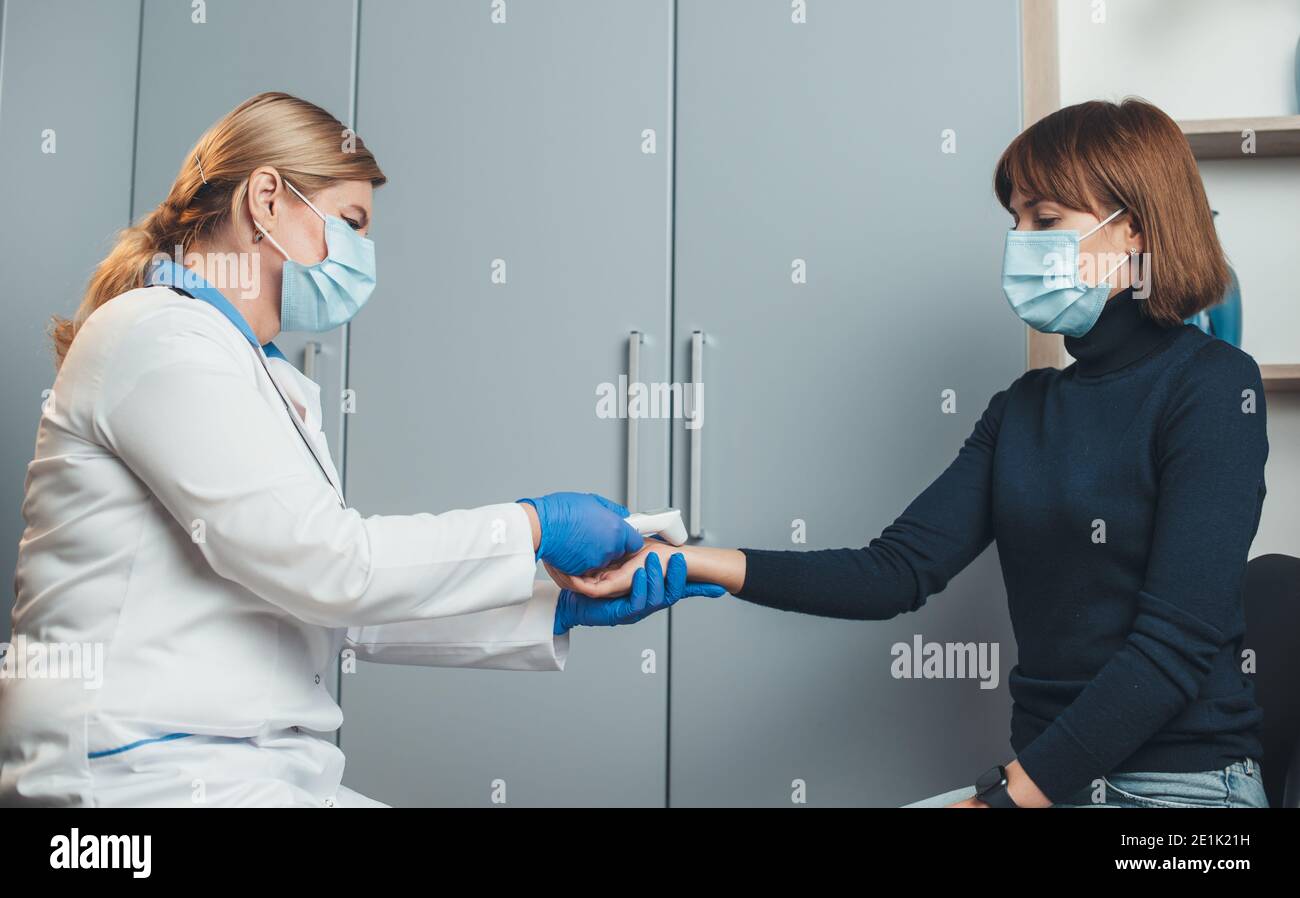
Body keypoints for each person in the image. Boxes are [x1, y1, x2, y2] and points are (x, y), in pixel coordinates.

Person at [0, 92, 719, 808]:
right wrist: (538, 526)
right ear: (267, 199)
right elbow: (330, 568)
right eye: (348, 224)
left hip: (239, 770)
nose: (359, 260)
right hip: (134, 776)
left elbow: (330, 600)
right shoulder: (156, 338)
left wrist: (550, 604)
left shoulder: (265, 374)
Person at [564, 98, 1271, 809]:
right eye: (1015, 221)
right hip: (1046, 784)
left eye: (1046, 220)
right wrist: (686, 563)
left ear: (1136, 232)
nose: (1019, 242)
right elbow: (894, 572)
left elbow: (1172, 648)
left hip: (1181, 793)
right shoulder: (1024, 409)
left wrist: (1000, 801)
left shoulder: (1212, 387)